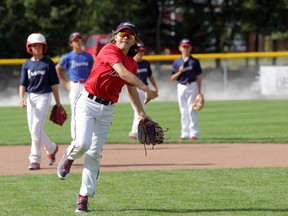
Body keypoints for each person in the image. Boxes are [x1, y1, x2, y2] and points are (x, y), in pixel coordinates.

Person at [57, 21, 153, 213]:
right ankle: (69, 155)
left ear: (135, 41)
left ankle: (83, 197)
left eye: (130, 35)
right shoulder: (108, 50)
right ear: (115, 36)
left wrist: (141, 113)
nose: (125, 37)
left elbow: (130, 90)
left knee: (94, 153)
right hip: (87, 102)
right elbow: (122, 73)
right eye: (122, 33)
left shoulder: (132, 63)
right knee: (82, 144)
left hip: (107, 109)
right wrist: (146, 87)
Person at [19, 33, 62, 170]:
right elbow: (22, 84)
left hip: (44, 96)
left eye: (39, 45)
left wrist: (58, 103)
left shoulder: (48, 63)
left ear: (44, 47)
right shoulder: (27, 64)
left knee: (36, 129)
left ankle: (35, 160)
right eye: (34, 45)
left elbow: (54, 84)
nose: (37, 47)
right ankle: (52, 147)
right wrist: (22, 98)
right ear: (29, 47)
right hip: (31, 97)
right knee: (33, 129)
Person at [55, 32, 94, 138]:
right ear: (71, 43)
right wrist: (65, 83)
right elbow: (58, 68)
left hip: (87, 85)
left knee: (89, 111)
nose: (78, 42)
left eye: (79, 39)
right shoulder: (68, 56)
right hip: (75, 85)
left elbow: (93, 71)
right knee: (75, 111)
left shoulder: (88, 56)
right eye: (75, 40)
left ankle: (87, 137)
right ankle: (75, 138)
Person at [171, 38, 202, 140]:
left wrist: (200, 92)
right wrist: (180, 72)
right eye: (184, 47)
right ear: (180, 48)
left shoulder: (195, 61)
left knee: (191, 110)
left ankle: (194, 133)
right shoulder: (177, 62)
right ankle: (184, 133)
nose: (185, 48)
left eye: (187, 46)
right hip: (181, 86)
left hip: (192, 85)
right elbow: (172, 78)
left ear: (190, 48)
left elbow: (198, 77)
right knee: (183, 111)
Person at [128, 42, 158, 140]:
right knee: (138, 110)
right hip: (135, 89)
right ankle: (134, 133)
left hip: (144, 89)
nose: (141, 53)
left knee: (139, 110)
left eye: (142, 51)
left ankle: (134, 133)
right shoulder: (131, 63)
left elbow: (150, 76)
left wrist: (155, 87)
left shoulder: (146, 63)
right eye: (139, 51)